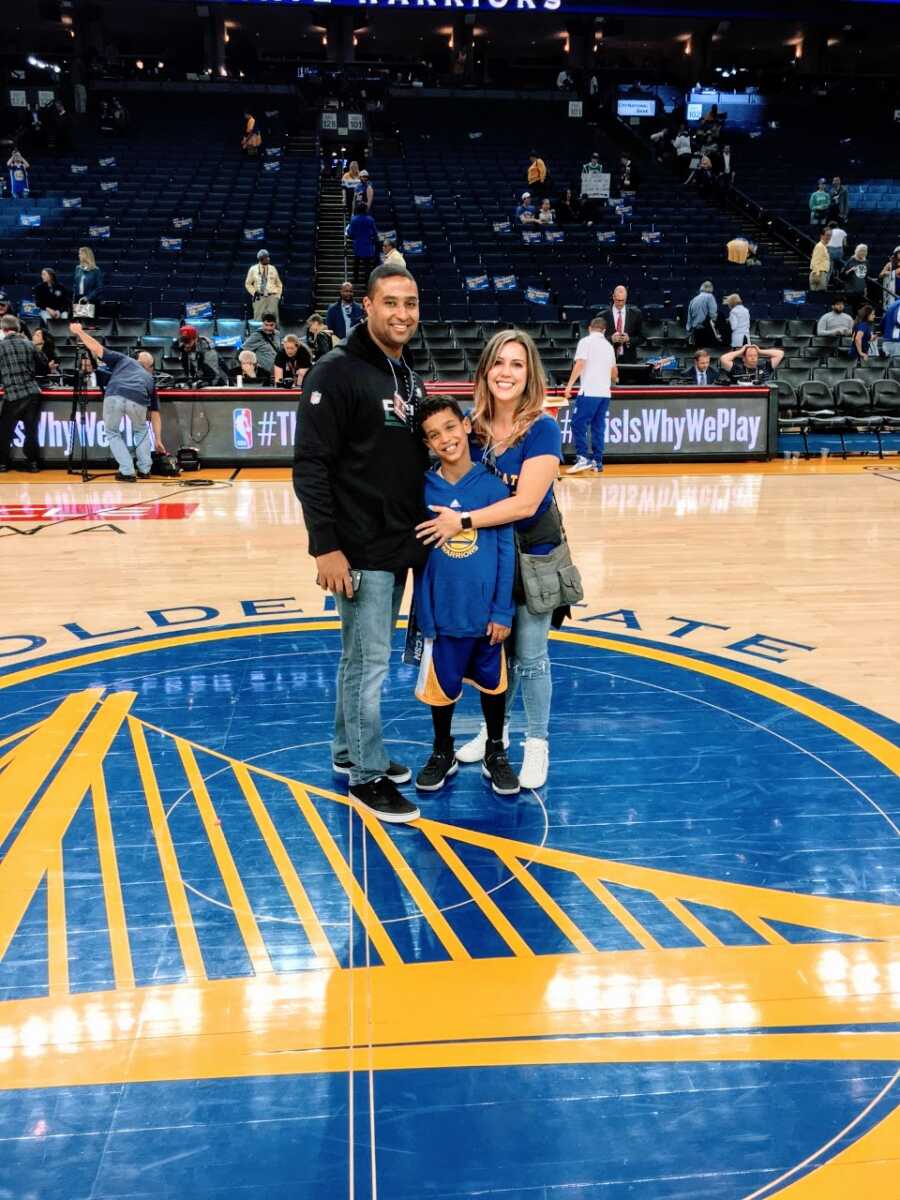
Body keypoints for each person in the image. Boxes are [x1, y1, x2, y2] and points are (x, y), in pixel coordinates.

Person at [293, 263, 428, 825]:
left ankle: (350, 752)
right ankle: (367, 777)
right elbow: (311, 464)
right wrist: (325, 546)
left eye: (411, 303)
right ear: (366, 307)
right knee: (370, 664)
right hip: (359, 549)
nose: (402, 313)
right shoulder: (336, 371)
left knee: (359, 658)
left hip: (397, 547)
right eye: (391, 302)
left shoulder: (406, 376)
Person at [417, 330, 564, 790]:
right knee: (497, 651)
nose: (506, 372)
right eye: (498, 362)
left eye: (517, 364)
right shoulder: (472, 428)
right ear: (484, 371)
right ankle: (492, 733)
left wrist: (460, 522)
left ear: (530, 374)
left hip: (535, 555)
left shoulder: (541, 428)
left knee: (532, 656)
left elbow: (524, 504)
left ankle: (536, 744)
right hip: (488, 561)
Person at [412, 398, 519, 796]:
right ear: (426, 444)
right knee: (442, 687)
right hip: (443, 615)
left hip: (487, 616)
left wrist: (503, 610)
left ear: (466, 426)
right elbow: (417, 557)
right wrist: (425, 610)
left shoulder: (491, 487)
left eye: (450, 428)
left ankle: (496, 750)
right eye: (434, 435)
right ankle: (443, 751)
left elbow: (506, 552)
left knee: (493, 684)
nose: (445, 439)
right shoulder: (422, 488)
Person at [69, 323, 163, 481]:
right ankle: (145, 469)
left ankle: (127, 471)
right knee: (141, 430)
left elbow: (97, 348)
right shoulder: (149, 379)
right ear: (151, 368)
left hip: (115, 394)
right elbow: (155, 413)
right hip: (138, 399)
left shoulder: (124, 360)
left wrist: (79, 332)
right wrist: (158, 439)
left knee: (112, 432)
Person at [563, 315, 617, 473]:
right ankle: (597, 462)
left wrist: (569, 386)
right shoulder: (609, 346)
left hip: (589, 391)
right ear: (604, 331)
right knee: (598, 427)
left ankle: (582, 457)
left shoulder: (585, 342)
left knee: (578, 424)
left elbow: (580, 364)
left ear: (589, 329)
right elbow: (614, 373)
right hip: (604, 393)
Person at [0, 315, 47, 472]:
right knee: (31, 430)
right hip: (32, 393)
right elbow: (44, 366)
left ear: (4, 329)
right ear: (17, 328)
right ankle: (33, 463)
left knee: (5, 431)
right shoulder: (29, 344)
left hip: (12, 394)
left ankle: (3, 463)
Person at [600, 285, 643, 363]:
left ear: (626, 298)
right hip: (608, 360)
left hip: (629, 359)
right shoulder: (602, 316)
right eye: (618, 300)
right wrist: (611, 339)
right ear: (613, 297)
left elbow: (642, 338)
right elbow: (597, 340)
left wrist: (629, 339)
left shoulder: (636, 314)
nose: (620, 303)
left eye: (622, 300)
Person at [244, 249, 283, 323]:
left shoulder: (273, 268)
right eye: (266, 257)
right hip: (259, 297)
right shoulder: (253, 269)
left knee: (274, 318)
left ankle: (275, 333)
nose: (268, 258)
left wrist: (277, 296)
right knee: (258, 318)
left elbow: (279, 284)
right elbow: (248, 284)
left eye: (268, 257)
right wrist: (254, 292)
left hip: (272, 297)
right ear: (261, 259)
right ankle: (257, 333)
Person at [347, 200, 379, 286]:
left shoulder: (354, 220)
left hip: (357, 245)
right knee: (367, 265)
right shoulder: (370, 219)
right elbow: (375, 232)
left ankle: (355, 279)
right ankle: (367, 282)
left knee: (356, 263)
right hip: (368, 245)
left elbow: (350, 233)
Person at [686, 281, 719, 348]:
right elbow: (713, 314)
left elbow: (689, 319)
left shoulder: (693, 299)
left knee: (698, 352)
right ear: (711, 288)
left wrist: (689, 330)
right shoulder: (710, 297)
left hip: (695, 331)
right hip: (705, 330)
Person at [73, 247, 103, 318]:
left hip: (91, 300)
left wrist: (88, 297)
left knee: (89, 326)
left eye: (80, 254)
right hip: (78, 299)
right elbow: (75, 284)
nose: (79, 255)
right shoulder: (78, 268)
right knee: (79, 324)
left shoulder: (96, 270)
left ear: (86, 255)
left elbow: (99, 288)